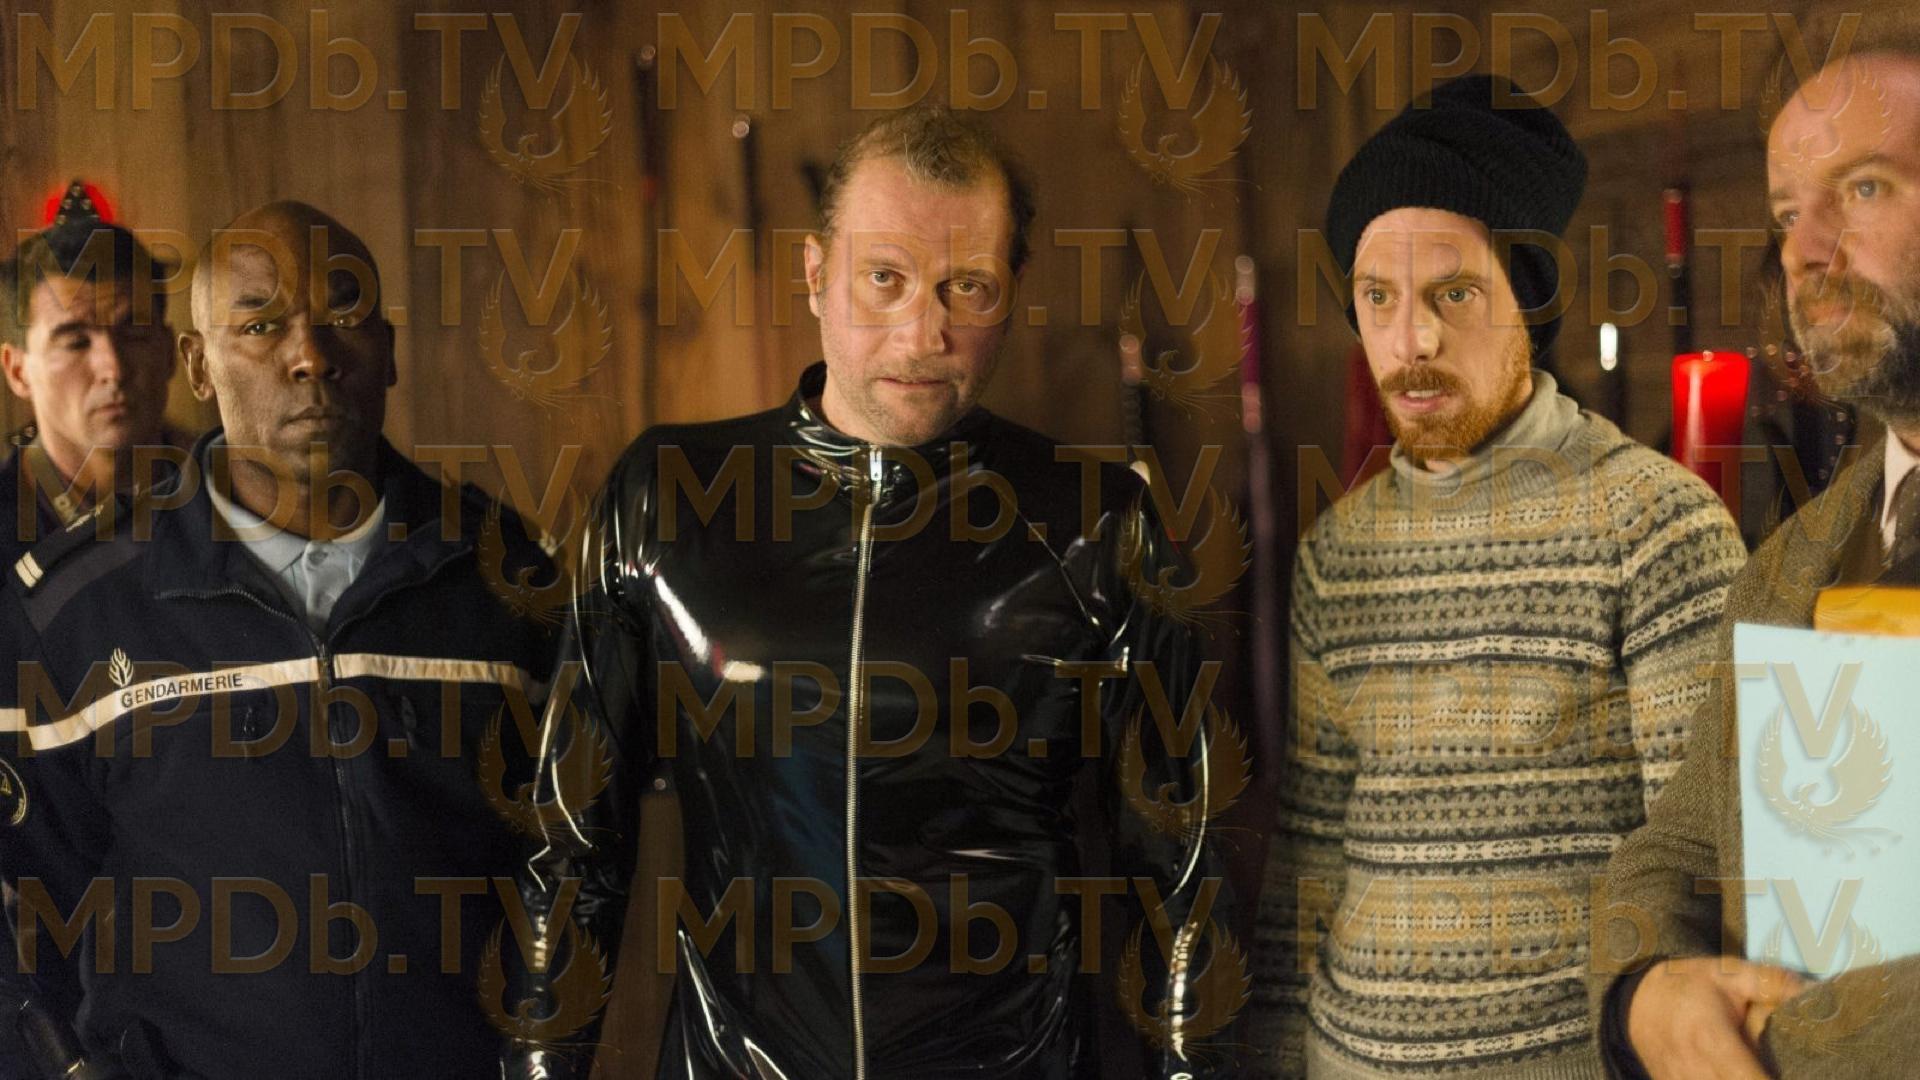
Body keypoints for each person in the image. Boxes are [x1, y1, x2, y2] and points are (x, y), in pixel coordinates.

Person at [505, 105, 1236, 1079]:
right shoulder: (667, 497)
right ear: (816, 274)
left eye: (966, 286)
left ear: (1012, 292)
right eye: (884, 277)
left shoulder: (1097, 522)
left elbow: (1179, 874)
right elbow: (571, 848)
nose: (924, 331)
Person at [1249, 75, 1746, 1079]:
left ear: (1531, 301)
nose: (1412, 340)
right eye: (1378, 298)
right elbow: (1308, 859)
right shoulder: (1336, 556)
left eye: (1454, 294)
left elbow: (1701, 872)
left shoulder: (1656, 526)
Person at [0, 201, 556, 1078]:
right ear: (197, 364)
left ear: (390, 350)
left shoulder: (507, 581)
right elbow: (27, 914)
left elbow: (573, 875)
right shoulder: (76, 608)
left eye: (345, 316)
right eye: (260, 326)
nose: (311, 357)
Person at [1594, 16, 1920, 1080]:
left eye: (1863, 187)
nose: (1807, 250)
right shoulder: (1787, 564)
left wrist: (1756, 1041)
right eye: (1787, 212)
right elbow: (1677, 848)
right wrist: (1647, 993)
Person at [0, 180, 183, 572]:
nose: (112, 368)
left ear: (170, 351)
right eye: (75, 342)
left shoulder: (237, 503)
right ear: (18, 371)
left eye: (134, 333)